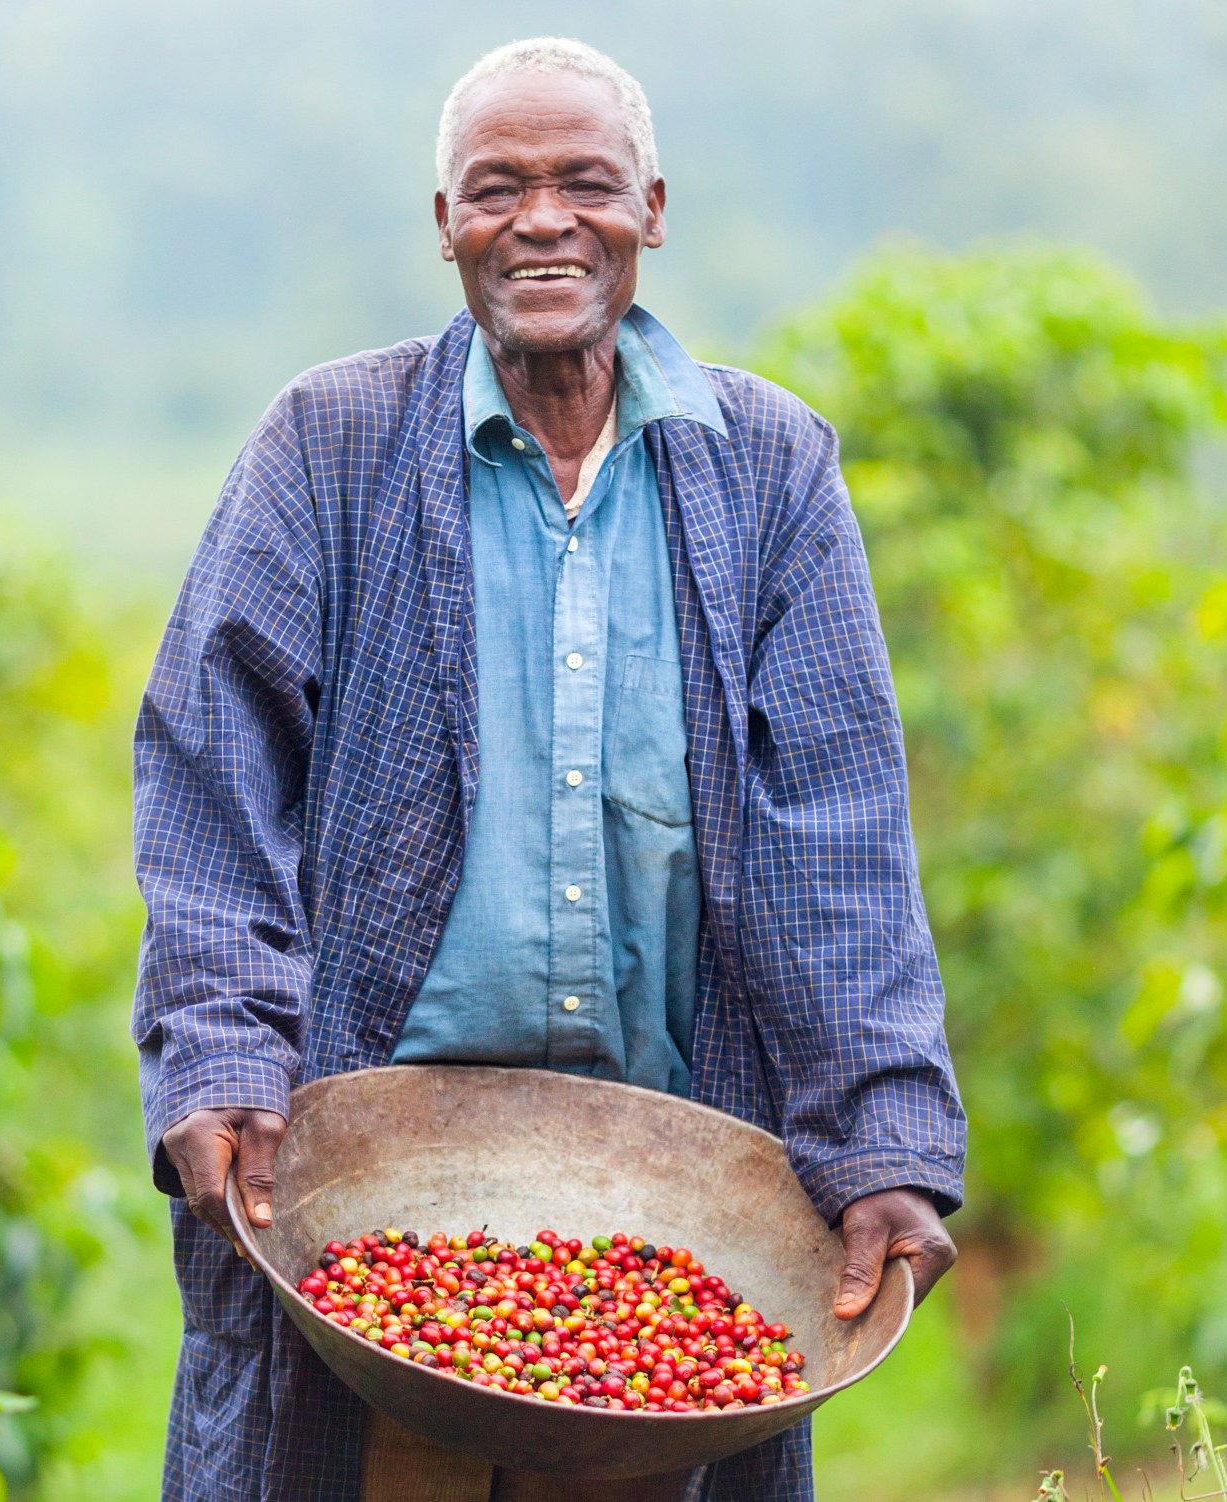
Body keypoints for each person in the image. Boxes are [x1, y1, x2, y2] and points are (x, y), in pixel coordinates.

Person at [133, 36, 965, 1502]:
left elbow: (836, 828)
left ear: (652, 205)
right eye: (495, 187)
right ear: (442, 222)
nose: (541, 220)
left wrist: (883, 1129)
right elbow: (213, 769)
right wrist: (218, 1050)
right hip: (380, 1182)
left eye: (585, 182)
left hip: (677, 1188)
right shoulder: (330, 446)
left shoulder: (769, 471)